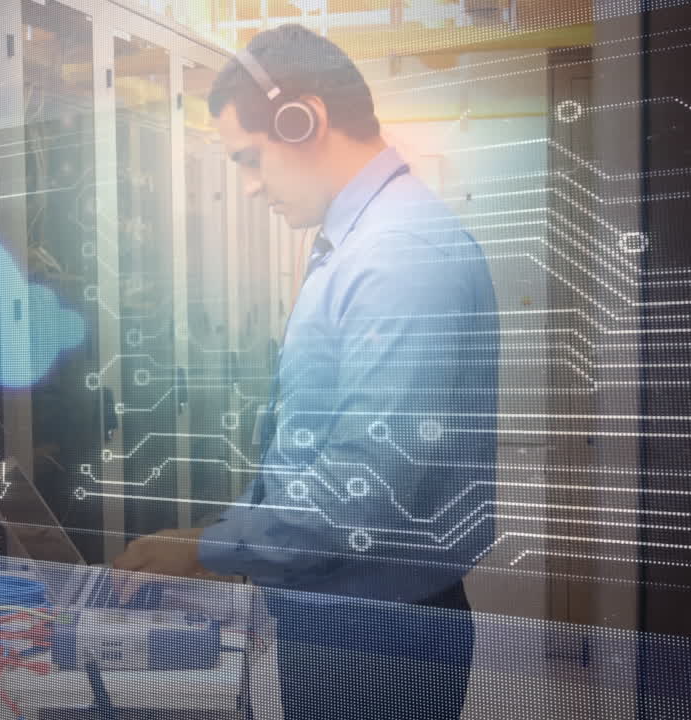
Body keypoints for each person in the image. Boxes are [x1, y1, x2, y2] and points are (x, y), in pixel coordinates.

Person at [111, 24, 498, 720]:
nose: (251, 186)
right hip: (357, 619)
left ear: (304, 119)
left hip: (375, 639)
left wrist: (207, 550)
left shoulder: (397, 257)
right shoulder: (362, 245)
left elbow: (364, 490)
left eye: (250, 158)